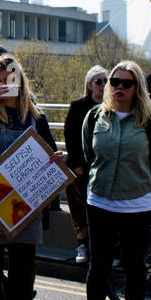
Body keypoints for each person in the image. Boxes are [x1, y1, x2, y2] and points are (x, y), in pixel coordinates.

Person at [72, 61, 151, 300]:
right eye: (115, 82)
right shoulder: (95, 117)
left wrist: (145, 187)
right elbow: (89, 154)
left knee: (134, 266)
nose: (119, 88)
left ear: (137, 87)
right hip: (100, 199)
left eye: (127, 83)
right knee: (98, 264)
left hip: (136, 202)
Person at [0, 54, 64, 300]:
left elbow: (50, 154)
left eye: (9, 80)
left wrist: (59, 160)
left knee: (23, 270)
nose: (4, 85)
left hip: (25, 203)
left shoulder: (35, 117)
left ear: (20, 82)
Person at [63, 65, 107, 265]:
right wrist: (77, 164)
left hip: (103, 165)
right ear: (89, 85)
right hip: (82, 165)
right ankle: (82, 243)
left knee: (102, 209)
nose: (103, 85)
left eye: (106, 81)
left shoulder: (112, 105)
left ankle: (105, 249)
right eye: (98, 82)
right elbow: (70, 136)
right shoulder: (78, 106)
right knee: (79, 205)